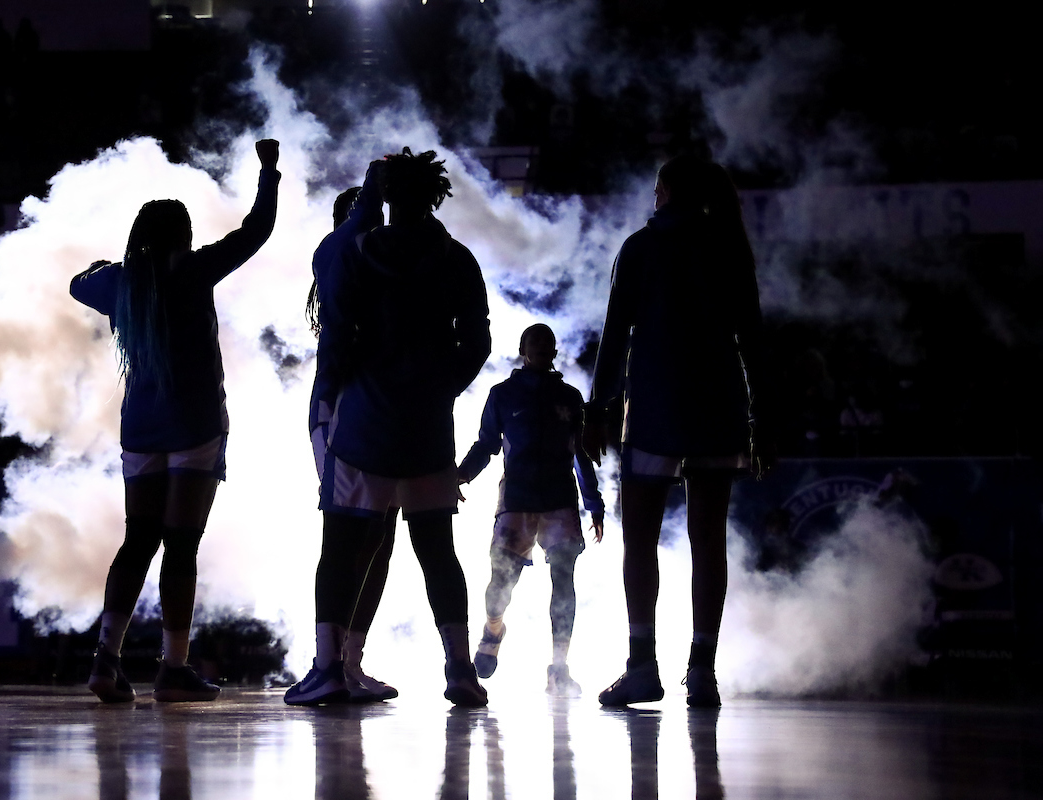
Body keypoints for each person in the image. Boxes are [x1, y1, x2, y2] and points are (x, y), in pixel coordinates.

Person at [71, 138, 280, 703]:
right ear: (182, 235)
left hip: (140, 429)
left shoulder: (120, 284)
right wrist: (267, 171)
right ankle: (173, 667)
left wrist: (105, 265)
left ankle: (104, 660)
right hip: (195, 427)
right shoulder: (195, 269)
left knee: (137, 540)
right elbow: (255, 232)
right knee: (181, 545)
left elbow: (76, 283)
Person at [285, 147, 491, 707]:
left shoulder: (357, 252)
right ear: (434, 195)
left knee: (342, 547)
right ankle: (459, 670)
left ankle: (329, 667)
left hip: (364, 424)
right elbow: (478, 345)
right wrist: (436, 389)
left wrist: (331, 392)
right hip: (427, 429)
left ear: (384, 196)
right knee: (438, 552)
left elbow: (336, 338)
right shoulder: (458, 260)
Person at [584, 155, 772, 708]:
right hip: (718, 406)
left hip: (655, 407)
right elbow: (753, 341)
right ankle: (703, 668)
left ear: (665, 191)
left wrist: (597, 412)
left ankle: (642, 665)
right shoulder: (728, 244)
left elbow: (616, 333)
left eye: (657, 188)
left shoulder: (641, 247)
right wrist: (763, 417)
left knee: (639, 537)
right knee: (708, 538)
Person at [456, 323, 604, 697]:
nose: (541, 346)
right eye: (534, 340)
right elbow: (487, 443)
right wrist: (459, 476)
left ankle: (558, 667)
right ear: (523, 348)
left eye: (547, 342)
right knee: (500, 586)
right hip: (518, 498)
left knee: (564, 585)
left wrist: (593, 503)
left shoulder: (569, 398)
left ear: (554, 351)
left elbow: (579, 453)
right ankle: (492, 632)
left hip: (558, 499)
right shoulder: (503, 395)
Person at [305, 168, 399, 702]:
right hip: (340, 408)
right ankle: (329, 662)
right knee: (346, 536)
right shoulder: (340, 250)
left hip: (373, 408)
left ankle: (350, 660)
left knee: (381, 540)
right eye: (372, 212)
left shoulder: (378, 260)